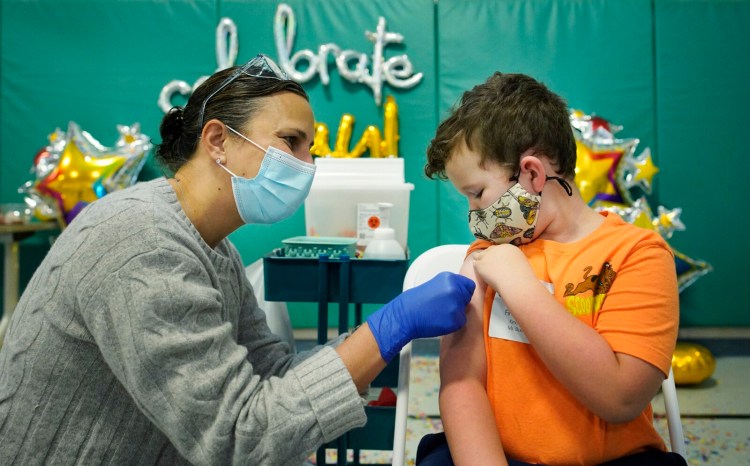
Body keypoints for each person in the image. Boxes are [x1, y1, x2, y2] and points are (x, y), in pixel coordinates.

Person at [0, 54, 475, 465]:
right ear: (218, 140)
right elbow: (238, 438)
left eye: (311, 149)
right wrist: (389, 326)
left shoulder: (212, 247)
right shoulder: (141, 242)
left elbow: (269, 373)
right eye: (291, 142)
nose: (308, 165)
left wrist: (378, 340)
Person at [415, 72, 684, 466]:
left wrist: (520, 286)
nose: (473, 215)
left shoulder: (638, 253)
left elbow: (620, 397)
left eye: (477, 194)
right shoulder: (485, 256)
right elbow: (462, 384)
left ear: (533, 174)